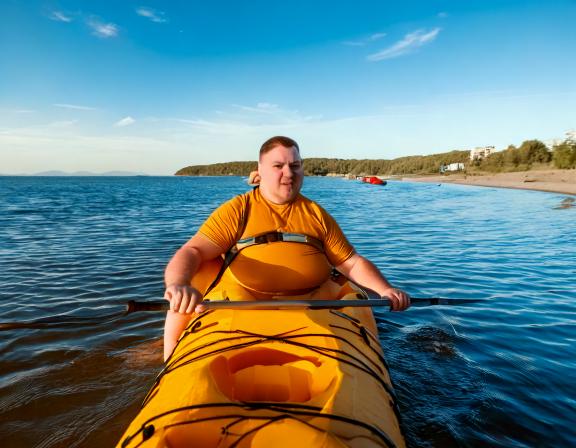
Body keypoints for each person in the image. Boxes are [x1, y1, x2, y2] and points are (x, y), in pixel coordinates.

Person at [163, 136, 410, 360]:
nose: (288, 173)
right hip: (244, 305)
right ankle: (169, 354)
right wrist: (178, 284)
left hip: (314, 307)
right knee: (198, 274)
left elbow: (352, 263)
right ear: (259, 170)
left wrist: (385, 289)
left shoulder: (316, 214)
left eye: (295, 165)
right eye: (278, 166)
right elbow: (192, 251)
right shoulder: (238, 210)